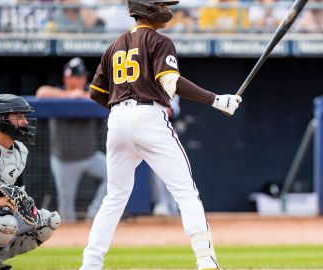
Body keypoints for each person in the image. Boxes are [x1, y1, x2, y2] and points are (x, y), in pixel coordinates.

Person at [80, 1, 242, 269]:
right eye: (160, 3)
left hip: (117, 119)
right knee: (186, 193)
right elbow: (171, 82)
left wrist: (122, 106)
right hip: (148, 116)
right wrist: (215, 100)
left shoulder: (114, 45)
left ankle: (90, 264)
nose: (166, 8)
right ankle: (206, 262)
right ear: (148, 8)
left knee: (114, 197)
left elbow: (96, 93)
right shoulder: (158, 40)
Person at [0, 94, 61, 270]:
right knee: (6, 224)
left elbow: (16, 192)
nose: (25, 122)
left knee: (47, 221)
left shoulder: (21, 151)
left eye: (24, 116)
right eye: (18, 116)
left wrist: (24, 206)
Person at [36, 57, 107, 223]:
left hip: (90, 156)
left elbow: (106, 94)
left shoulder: (89, 91)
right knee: (66, 213)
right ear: (67, 78)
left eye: (83, 76)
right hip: (64, 161)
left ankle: (94, 212)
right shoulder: (56, 92)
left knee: (115, 176)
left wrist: (81, 95)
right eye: (78, 76)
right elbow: (41, 92)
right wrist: (69, 96)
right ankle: (71, 242)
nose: (82, 80)